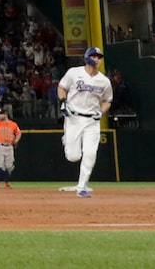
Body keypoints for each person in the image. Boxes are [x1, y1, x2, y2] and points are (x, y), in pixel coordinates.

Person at [56, 48, 113, 197]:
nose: (97, 59)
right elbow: (62, 87)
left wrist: (101, 112)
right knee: (73, 156)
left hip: (92, 121)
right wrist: (63, 102)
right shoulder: (74, 73)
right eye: (94, 56)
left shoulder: (104, 81)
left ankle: (82, 186)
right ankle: (66, 139)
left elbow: (107, 100)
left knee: (90, 153)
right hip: (73, 118)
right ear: (87, 58)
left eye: (99, 57)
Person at [0, 106, 22, 189]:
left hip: (9, 146)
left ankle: (7, 183)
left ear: (6, 114)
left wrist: (16, 140)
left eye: (1, 114)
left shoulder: (13, 124)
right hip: (0, 146)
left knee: (9, 165)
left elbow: (18, 133)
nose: (0, 116)